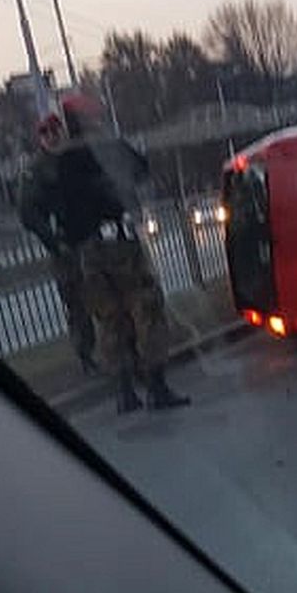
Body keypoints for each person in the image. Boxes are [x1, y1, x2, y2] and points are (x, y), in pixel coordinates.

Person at [51, 94, 190, 413]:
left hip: (88, 252)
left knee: (109, 319)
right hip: (120, 243)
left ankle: (124, 391)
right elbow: (140, 168)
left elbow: (60, 209)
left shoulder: (62, 159)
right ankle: (156, 385)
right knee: (147, 307)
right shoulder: (106, 146)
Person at [20, 114, 99, 374]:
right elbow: (27, 212)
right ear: (40, 137)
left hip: (90, 236)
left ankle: (118, 351)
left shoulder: (76, 157)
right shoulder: (36, 169)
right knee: (77, 304)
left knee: (104, 296)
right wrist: (52, 240)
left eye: (55, 130)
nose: (52, 136)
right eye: (45, 132)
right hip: (65, 244)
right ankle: (86, 355)